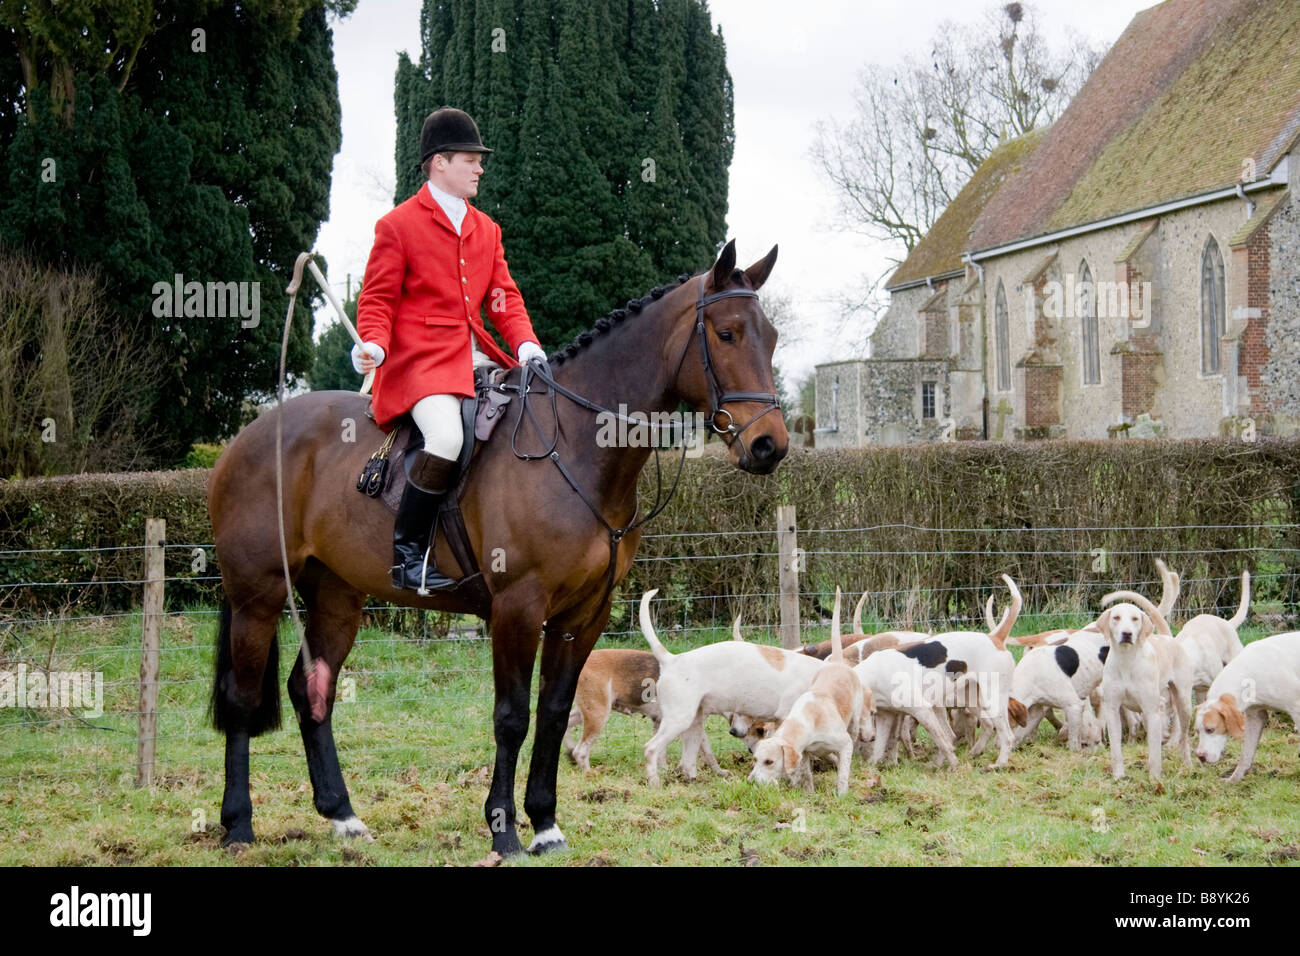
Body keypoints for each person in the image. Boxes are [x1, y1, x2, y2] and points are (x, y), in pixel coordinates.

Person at [353, 107, 548, 593]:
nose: (480, 167)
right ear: (440, 162)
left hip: (475, 357)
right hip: (419, 363)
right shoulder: (397, 225)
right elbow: (377, 298)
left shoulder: (488, 230)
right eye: (470, 159)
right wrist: (374, 342)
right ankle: (408, 557)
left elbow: (503, 299)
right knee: (445, 439)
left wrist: (525, 345)